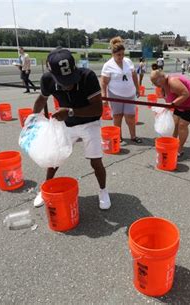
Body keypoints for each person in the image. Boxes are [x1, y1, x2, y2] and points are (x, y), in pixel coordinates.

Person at [31, 48, 111, 209]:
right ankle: (45, 188)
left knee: (95, 161)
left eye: (71, 79)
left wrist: (70, 111)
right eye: (63, 81)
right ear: (52, 75)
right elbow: (42, 98)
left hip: (90, 122)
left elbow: (98, 110)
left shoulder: (87, 76)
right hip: (66, 123)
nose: (68, 85)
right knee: (54, 157)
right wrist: (32, 118)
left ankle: (103, 190)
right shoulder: (47, 79)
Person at [150, 70, 190, 157]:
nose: (156, 84)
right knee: (175, 122)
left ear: (162, 76)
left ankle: (180, 149)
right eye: (153, 82)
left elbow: (185, 94)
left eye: (156, 81)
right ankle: (173, 143)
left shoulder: (172, 81)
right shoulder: (163, 86)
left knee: (182, 125)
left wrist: (172, 104)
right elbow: (169, 100)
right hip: (181, 103)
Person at [101, 37, 142, 144]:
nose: (121, 57)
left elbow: (134, 76)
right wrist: (104, 97)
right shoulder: (108, 65)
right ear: (113, 54)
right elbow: (104, 82)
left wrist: (137, 88)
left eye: (123, 54)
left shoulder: (128, 61)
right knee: (117, 116)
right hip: (115, 95)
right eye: (118, 55)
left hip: (130, 94)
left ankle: (133, 136)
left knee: (131, 116)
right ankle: (118, 137)